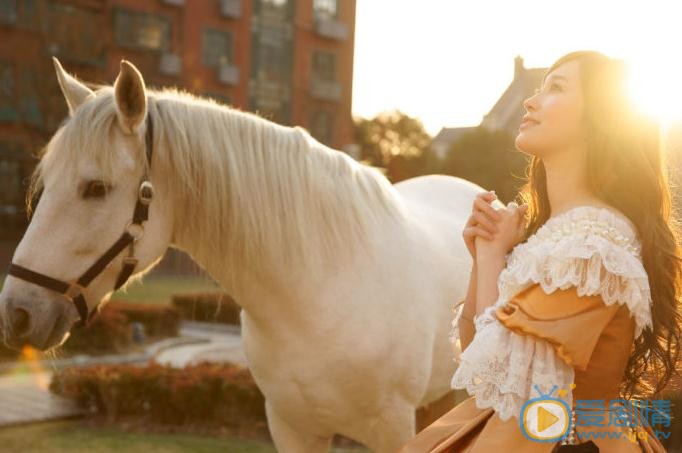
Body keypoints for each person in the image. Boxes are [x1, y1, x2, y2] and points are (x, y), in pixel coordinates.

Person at [400, 51, 681, 452]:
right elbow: (477, 356)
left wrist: (495, 255)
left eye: (556, 88)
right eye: (539, 88)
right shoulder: (553, 234)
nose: (531, 101)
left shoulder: (594, 244)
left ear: (598, 119)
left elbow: (507, 383)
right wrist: (485, 258)